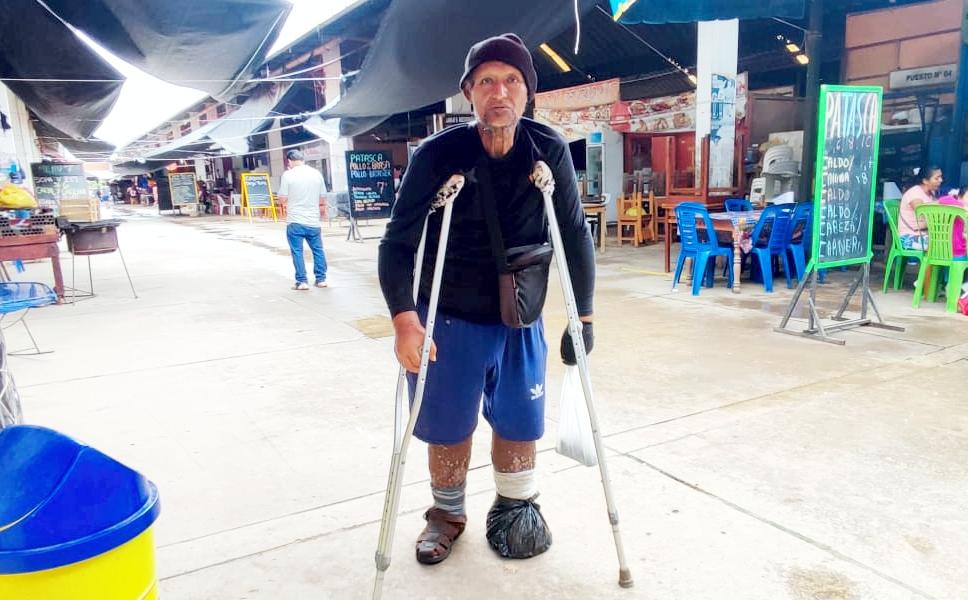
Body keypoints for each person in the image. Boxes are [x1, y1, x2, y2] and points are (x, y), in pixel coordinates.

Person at [378, 33, 596, 565]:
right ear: (469, 92)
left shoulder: (547, 148)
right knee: (448, 424)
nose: (500, 92)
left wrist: (584, 316)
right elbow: (398, 242)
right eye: (487, 81)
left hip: (521, 314)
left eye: (512, 80)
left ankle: (515, 507)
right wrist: (405, 320)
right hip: (449, 316)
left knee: (520, 420)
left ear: (528, 91)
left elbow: (573, 233)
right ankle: (447, 513)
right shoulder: (437, 154)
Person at [278, 149, 328, 290]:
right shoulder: (316, 173)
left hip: (295, 221)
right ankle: (321, 279)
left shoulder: (288, 175)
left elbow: (282, 199)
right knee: (318, 250)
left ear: (289, 161)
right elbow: (322, 198)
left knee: (297, 251)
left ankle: (302, 282)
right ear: (302, 159)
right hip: (313, 221)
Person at [898, 165, 942, 250]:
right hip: (908, 237)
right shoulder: (915, 193)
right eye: (937, 178)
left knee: (952, 240)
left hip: (924, 234)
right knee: (943, 244)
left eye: (941, 177)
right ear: (925, 181)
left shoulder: (931, 194)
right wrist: (941, 203)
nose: (941, 180)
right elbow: (922, 211)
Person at [937, 187, 968, 260]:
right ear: (959, 197)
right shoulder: (955, 207)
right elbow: (943, 200)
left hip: (956, 252)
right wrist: (963, 207)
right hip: (958, 252)